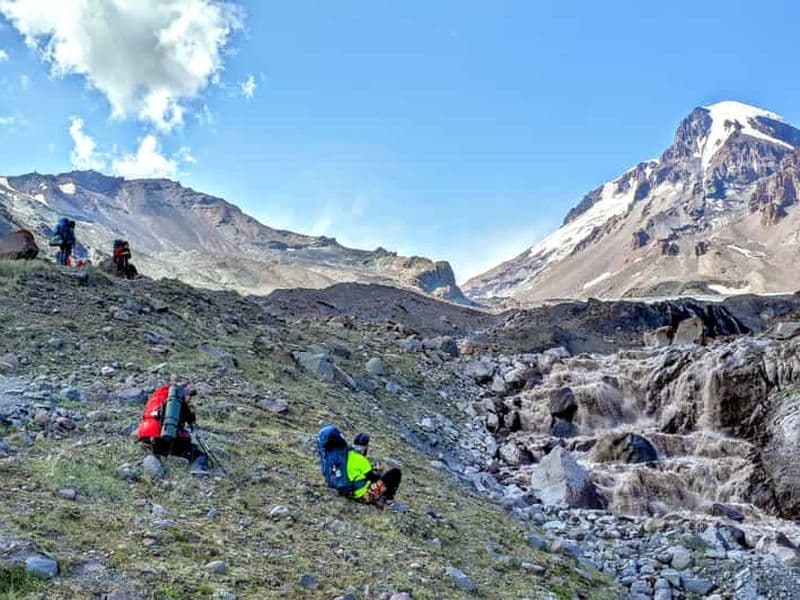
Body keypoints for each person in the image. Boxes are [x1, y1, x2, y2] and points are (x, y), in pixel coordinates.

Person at [136, 383, 209, 472]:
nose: (190, 400)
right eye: (189, 397)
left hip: (146, 437)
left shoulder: (156, 400)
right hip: (165, 439)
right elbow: (190, 422)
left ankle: (152, 459)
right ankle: (197, 469)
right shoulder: (178, 403)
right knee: (199, 454)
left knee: (158, 449)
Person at [347, 432, 402, 507]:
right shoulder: (362, 460)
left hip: (347, 490)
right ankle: (389, 500)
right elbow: (373, 478)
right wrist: (379, 471)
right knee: (395, 473)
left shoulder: (347, 454)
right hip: (362, 496)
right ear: (366, 446)